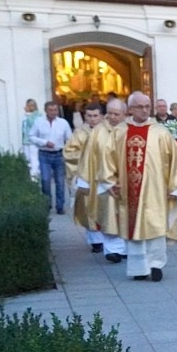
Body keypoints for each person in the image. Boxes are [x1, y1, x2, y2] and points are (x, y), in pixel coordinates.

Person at [101, 92, 177, 282]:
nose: (145, 110)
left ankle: (155, 265)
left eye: (147, 106)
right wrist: (110, 181)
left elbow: (176, 160)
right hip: (129, 191)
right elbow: (108, 158)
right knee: (134, 228)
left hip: (156, 190)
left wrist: (175, 185)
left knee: (155, 224)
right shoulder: (120, 132)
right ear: (130, 109)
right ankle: (138, 268)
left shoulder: (160, 132)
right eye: (140, 106)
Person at [78, 98, 128, 262]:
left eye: (117, 114)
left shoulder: (130, 130)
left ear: (124, 114)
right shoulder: (98, 131)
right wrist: (84, 182)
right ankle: (112, 250)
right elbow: (87, 156)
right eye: (110, 113)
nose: (113, 117)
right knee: (108, 216)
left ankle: (124, 248)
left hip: (126, 182)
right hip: (103, 182)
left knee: (125, 215)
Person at [64, 103, 105, 252]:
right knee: (88, 207)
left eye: (95, 116)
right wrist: (85, 161)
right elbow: (69, 153)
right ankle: (96, 241)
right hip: (86, 177)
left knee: (106, 207)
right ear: (85, 116)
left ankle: (112, 240)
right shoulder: (79, 133)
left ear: (101, 116)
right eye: (89, 116)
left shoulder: (109, 131)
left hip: (105, 176)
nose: (93, 119)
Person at [29, 100, 74, 214]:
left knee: (60, 181)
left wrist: (68, 152)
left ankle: (60, 206)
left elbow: (70, 139)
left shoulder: (63, 123)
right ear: (45, 111)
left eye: (55, 110)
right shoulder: (38, 122)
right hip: (44, 154)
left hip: (59, 154)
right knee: (45, 180)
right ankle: (47, 204)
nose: (53, 112)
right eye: (51, 110)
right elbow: (31, 136)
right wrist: (44, 142)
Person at [21, 98, 40, 180]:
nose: (30, 107)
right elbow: (24, 127)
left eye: (32, 105)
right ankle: (31, 174)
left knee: (34, 158)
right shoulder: (26, 115)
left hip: (34, 141)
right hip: (26, 141)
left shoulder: (38, 115)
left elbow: (31, 123)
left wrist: (27, 113)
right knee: (27, 158)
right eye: (29, 105)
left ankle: (34, 177)